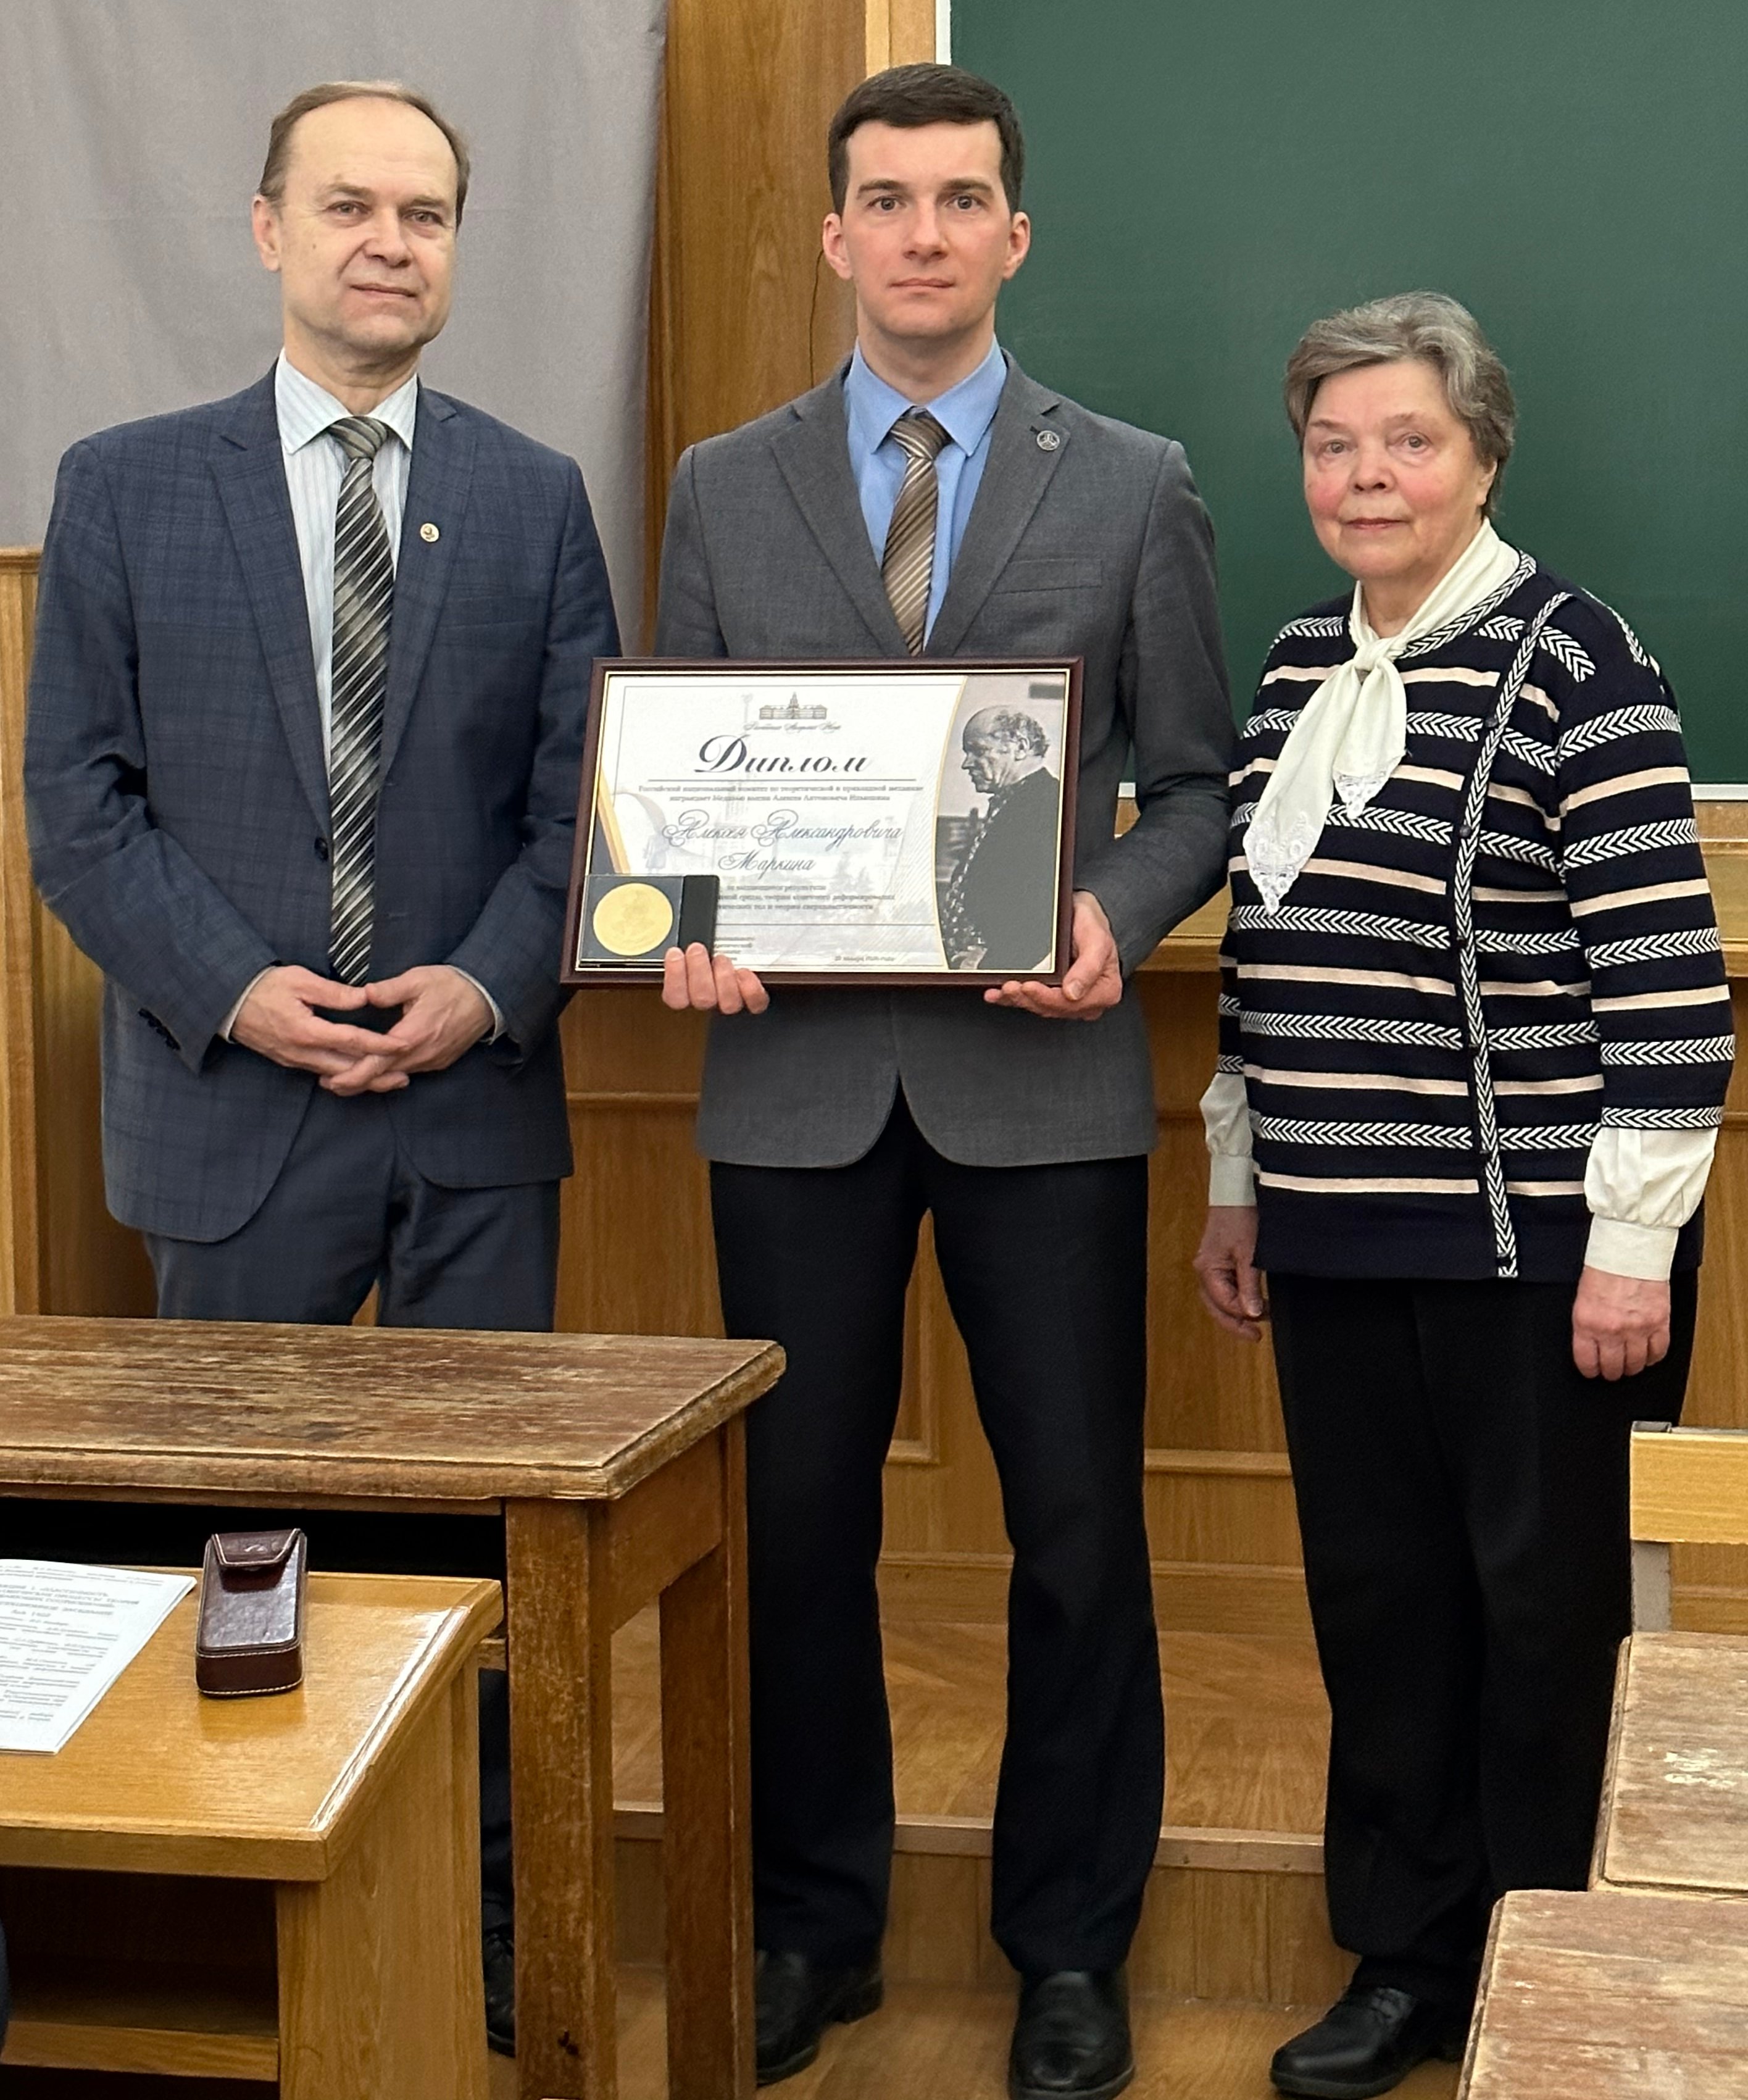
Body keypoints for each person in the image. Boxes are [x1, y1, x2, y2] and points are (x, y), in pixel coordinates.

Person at [22, 80, 618, 2054]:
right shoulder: (126, 485)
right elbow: (76, 804)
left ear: (457, 248)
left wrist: (488, 988)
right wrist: (235, 990)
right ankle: (228, 1948)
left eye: (426, 213)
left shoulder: (532, 497)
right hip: (229, 1111)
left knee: (483, 1572)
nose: (391, 242)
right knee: (237, 1551)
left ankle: (490, 1952)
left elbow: (586, 808)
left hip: (470, 1110)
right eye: (350, 205)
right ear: (269, 229)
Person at [656, 62, 1233, 2100]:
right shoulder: (723, 484)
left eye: (960, 198)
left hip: (1041, 1087)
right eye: (887, 199)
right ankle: (813, 1925)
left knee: (1076, 1526)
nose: (923, 232)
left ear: (1014, 235)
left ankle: (1070, 1948)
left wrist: (1112, 913)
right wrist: (677, 921)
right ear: (837, 236)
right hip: (792, 1088)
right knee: (794, 1526)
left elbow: (1197, 786)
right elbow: (678, 783)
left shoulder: (1135, 480)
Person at [1192, 293, 1731, 2099]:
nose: (1365, 476)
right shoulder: (1295, 666)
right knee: (1379, 1611)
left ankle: (1546, 1961)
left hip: (1539, 1259)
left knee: (1546, 1624)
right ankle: (1403, 1960)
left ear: (1482, 457)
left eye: (1405, 441)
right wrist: (1239, 1183)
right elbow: (1260, 963)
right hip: (1333, 1239)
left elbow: (1666, 992)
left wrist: (1631, 1249)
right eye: (1330, 444)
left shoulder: (1580, 664)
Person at [941, 706, 1060, 971]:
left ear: (1020, 747)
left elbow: (1043, 912)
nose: (966, 763)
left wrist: (992, 963)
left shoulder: (1049, 805)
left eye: (978, 750)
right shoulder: (1015, 802)